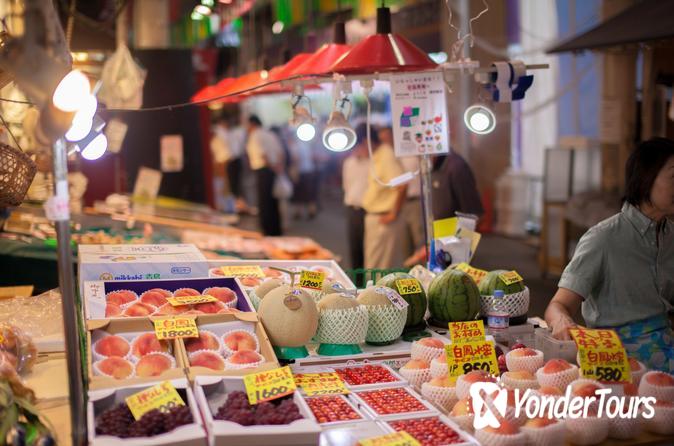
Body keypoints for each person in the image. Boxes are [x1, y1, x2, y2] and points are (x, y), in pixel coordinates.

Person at [545, 137, 674, 372]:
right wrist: (562, 320)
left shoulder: (671, 236)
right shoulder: (602, 239)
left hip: (667, 350)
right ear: (646, 179)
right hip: (615, 360)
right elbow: (558, 305)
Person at [403, 150, 484, 266]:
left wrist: (447, 246)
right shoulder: (428, 169)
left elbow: (473, 215)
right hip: (434, 247)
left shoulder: (457, 168)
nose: (419, 158)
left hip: (453, 252)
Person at [362, 125, 407, 269]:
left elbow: (402, 185)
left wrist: (393, 214)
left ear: (365, 142)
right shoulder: (377, 155)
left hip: (384, 218)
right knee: (373, 265)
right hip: (376, 217)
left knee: (378, 267)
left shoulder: (386, 154)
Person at [245, 115, 284, 236]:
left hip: (264, 170)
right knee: (273, 201)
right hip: (273, 169)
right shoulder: (270, 134)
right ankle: (276, 230)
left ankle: (267, 231)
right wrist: (278, 168)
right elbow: (280, 153)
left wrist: (271, 166)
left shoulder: (255, 135)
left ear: (252, 124)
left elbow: (262, 154)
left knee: (264, 202)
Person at [342, 124, 371, 269]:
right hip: (352, 209)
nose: (357, 149)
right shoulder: (348, 163)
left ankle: (367, 278)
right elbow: (346, 185)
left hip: (368, 210)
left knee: (368, 249)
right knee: (354, 248)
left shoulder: (373, 163)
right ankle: (356, 279)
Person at [210, 115, 248, 212]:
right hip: (224, 162)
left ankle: (233, 205)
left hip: (229, 161)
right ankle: (230, 206)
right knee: (227, 186)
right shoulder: (219, 133)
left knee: (230, 186)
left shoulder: (227, 133)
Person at [289, 136, 319, 220]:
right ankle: (311, 210)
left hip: (300, 172)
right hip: (309, 170)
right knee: (309, 193)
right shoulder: (305, 145)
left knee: (298, 193)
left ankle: (298, 212)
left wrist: (294, 174)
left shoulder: (295, 146)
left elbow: (296, 160)